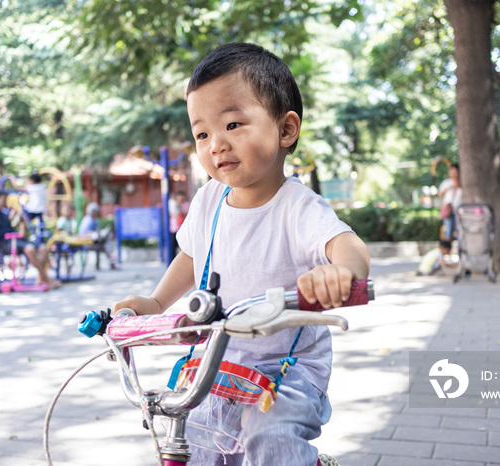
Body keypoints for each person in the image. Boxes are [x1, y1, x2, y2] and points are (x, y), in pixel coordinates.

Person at [113, 43, 370, 466]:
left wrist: (341, 273)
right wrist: (157, 303)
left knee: (271, 439)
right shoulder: (209, 199)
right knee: (188, 439)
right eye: (202, 133)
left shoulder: (298, 207)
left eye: (233, 124)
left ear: (286, 130)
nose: (216, 144)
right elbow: (193, 257)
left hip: (287, 371)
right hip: (216, 359)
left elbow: (347, 245)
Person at [0, 190, 61, 289]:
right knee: (29, 248)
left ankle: (40, 278)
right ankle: (47, 279)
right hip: (3, 244)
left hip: (15, 241)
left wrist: (21, 224)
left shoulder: (5, 216)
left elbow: (21, 234)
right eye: (4, 199)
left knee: (43, 248)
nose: (5, 202)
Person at [78, 202, 119, 269]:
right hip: (87, 243)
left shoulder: (95, 220)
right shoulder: (87, 220)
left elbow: (98, 231)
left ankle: (112, 261)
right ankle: (112, 261)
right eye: (95, 212)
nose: (96, 214)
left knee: (106, 242)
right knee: (105, 246)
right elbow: (84, 234)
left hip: (95, 241)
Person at [437, 163, 462, 241]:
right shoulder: (446, 182)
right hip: (449, 210)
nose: (454, 174)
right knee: (448, 232)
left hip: (460, 210)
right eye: (452, 171)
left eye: (456, 171)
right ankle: (448, 248)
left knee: (460, 231)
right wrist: (451, 187)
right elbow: (440, 194)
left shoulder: (463, 182)